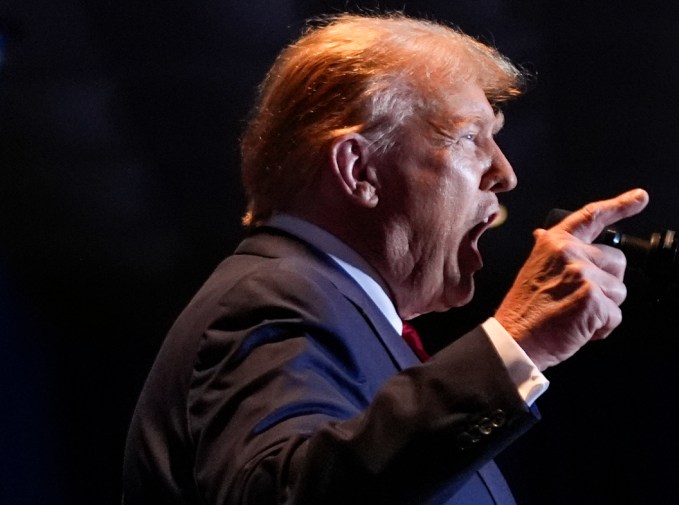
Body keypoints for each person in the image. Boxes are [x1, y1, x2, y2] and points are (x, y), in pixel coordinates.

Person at [121, 11, 649, 505]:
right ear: (360, 171)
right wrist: (518, 340)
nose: (505, 173)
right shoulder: (274, 297)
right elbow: (289, 492)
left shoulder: (342, 314)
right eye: (469, 138)